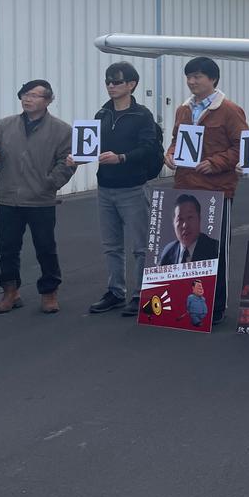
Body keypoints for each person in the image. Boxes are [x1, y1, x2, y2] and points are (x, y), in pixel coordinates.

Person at [0, 80, 77, 315]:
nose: (28, 98)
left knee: (45, 247)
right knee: (7, 248)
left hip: (40, 199)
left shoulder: (61, 129)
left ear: (49, 100)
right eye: (25, 94)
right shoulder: (6, 125)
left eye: (34, 95)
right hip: (8, 198)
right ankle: (10, 292)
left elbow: (68, 162)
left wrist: (50, 183)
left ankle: (49, 292)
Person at [163, 56, 247, 324]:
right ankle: (181, 302)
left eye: (198, 76)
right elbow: (176, 140)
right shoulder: (183, 110)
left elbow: (242, 147)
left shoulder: (230, 110)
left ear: (213, 79)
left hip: (216, 191)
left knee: (215, 251)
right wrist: (171, 154)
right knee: (182, 248)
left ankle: (216, 307)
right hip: (185, 188)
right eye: (189, 76)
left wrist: (215, 162)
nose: (192, 81)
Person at [78, 62, 158, 317]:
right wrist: (77, 157)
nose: (111, 86)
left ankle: (140, 294)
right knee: (111, 245)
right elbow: (89, 145)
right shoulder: (102, 114)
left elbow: (148, 147)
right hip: (106, 188)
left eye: (117, 82)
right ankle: (115, 291)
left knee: (140, 246)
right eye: (108, 81)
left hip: (133, 187)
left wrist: (122, 157)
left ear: (131, 85)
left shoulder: (142, 115)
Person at [158, 193, 221, 264]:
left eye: (190, 217)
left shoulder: (215, 249)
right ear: (173, 223)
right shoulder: (167, 252)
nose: (185, 225)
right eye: (180, 219)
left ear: (199, 219)